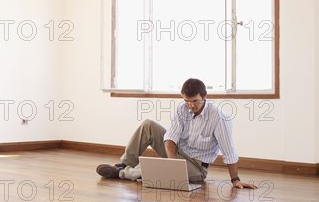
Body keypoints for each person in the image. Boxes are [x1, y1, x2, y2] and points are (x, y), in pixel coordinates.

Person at [96, 78, 258, 189]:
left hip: (196, 166)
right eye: (187, 101)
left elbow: (229, 152)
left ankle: (121, 173)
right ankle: (125, 163)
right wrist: (172, 162)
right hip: (176, 153)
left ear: (204, 97)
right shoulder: (183, 109)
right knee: (148, 125)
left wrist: (235, 180)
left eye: (195, 101)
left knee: (159, 171)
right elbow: (171, 137)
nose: (191, 106)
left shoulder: (219, 118)